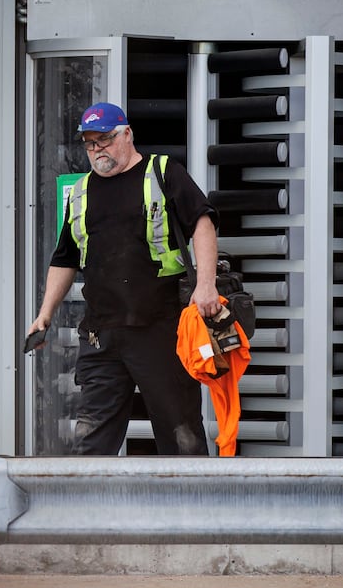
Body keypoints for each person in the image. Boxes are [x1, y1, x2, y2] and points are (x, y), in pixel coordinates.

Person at [26, 102, 221, 456]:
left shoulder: (163, 172)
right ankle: (87, 509)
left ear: (127, 134)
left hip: (161, 332)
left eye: (105, 139)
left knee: (181, 436)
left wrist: (206, 285)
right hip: (102, 335)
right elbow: (64, 257)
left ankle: (190, 508)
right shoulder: (82, 192)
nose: (98, 149)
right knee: (92, 441)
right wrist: (45, 314)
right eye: (90, 144)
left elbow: (202, 222)